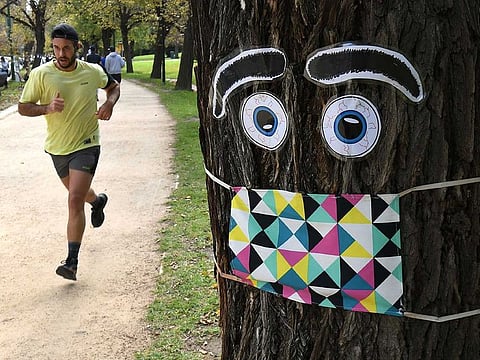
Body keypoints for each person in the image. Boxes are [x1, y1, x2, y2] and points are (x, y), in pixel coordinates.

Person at [18, 23, 120, 281]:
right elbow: (23, 107)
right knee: (80, 194)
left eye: (66, 48)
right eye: (56, 48)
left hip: (87, 143)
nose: (61, 53)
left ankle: (71, 261)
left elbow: (113, 86)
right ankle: (97, 202)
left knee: (74, 198)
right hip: (57, 148)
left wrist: (108, 103)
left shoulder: (92, 71)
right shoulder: (42, 74)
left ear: (77, 47)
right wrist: (47, 108)